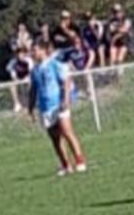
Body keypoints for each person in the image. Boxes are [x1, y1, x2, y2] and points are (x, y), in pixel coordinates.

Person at [28, 38, 88, 176]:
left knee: (67, 132)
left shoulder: (54, 64)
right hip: (45, 107)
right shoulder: (35, 70)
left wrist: (65, 99)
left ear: (43, 50)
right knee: (55, 138)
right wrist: (30, 108)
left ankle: (80, 161)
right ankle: (66, 165)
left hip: (59, 104)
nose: (33, 53)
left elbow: (66, 81)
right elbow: (33, 90)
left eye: (35, 50)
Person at [6, 45, 33, 113]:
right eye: (18, 54)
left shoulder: (29, 60)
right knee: (12, 86)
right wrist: (16, 79)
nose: (20, 55)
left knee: (30, 84)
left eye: (21, 53)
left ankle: (28, 104)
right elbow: (12, 73)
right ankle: (17, 104)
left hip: (27, 79)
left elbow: (31, 72)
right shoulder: (13, 62)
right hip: (18, 79)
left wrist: (27, 78)